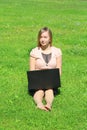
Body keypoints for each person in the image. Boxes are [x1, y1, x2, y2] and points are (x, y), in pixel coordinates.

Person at [29, 27, 62, 111]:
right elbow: (32, 70)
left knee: (49, 90)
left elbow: (59, 68)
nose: (42, 39)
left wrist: (56, 81)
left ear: (50, 39)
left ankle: (48, 104)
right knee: (39, 91)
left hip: (51, 80)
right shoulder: (34, 51)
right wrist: (34, 82)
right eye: (41, 37)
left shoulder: (57, 51)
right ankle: (39, 104)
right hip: (37, 80)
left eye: (45, 37)